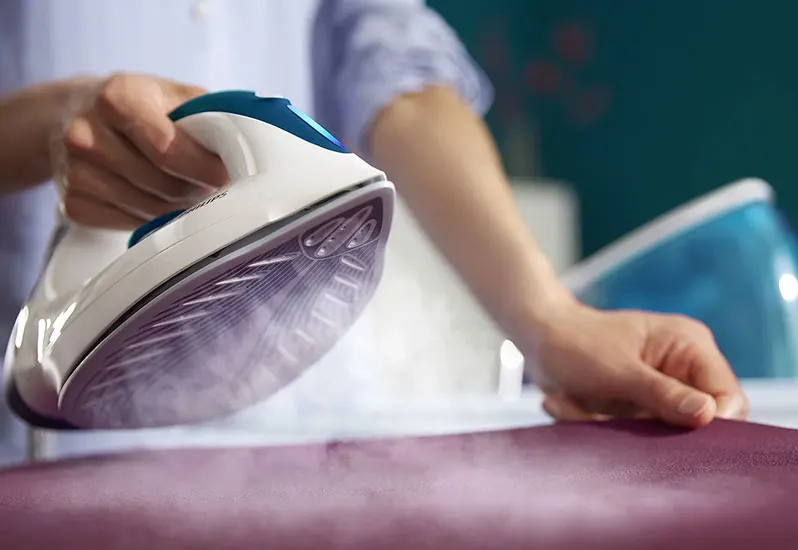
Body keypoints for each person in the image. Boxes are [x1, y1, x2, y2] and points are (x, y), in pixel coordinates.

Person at [0, 0, 747, 463]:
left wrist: (551, 323)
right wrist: (54, 124)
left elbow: (397, 75)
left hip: (294, 432)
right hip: (45, 458)